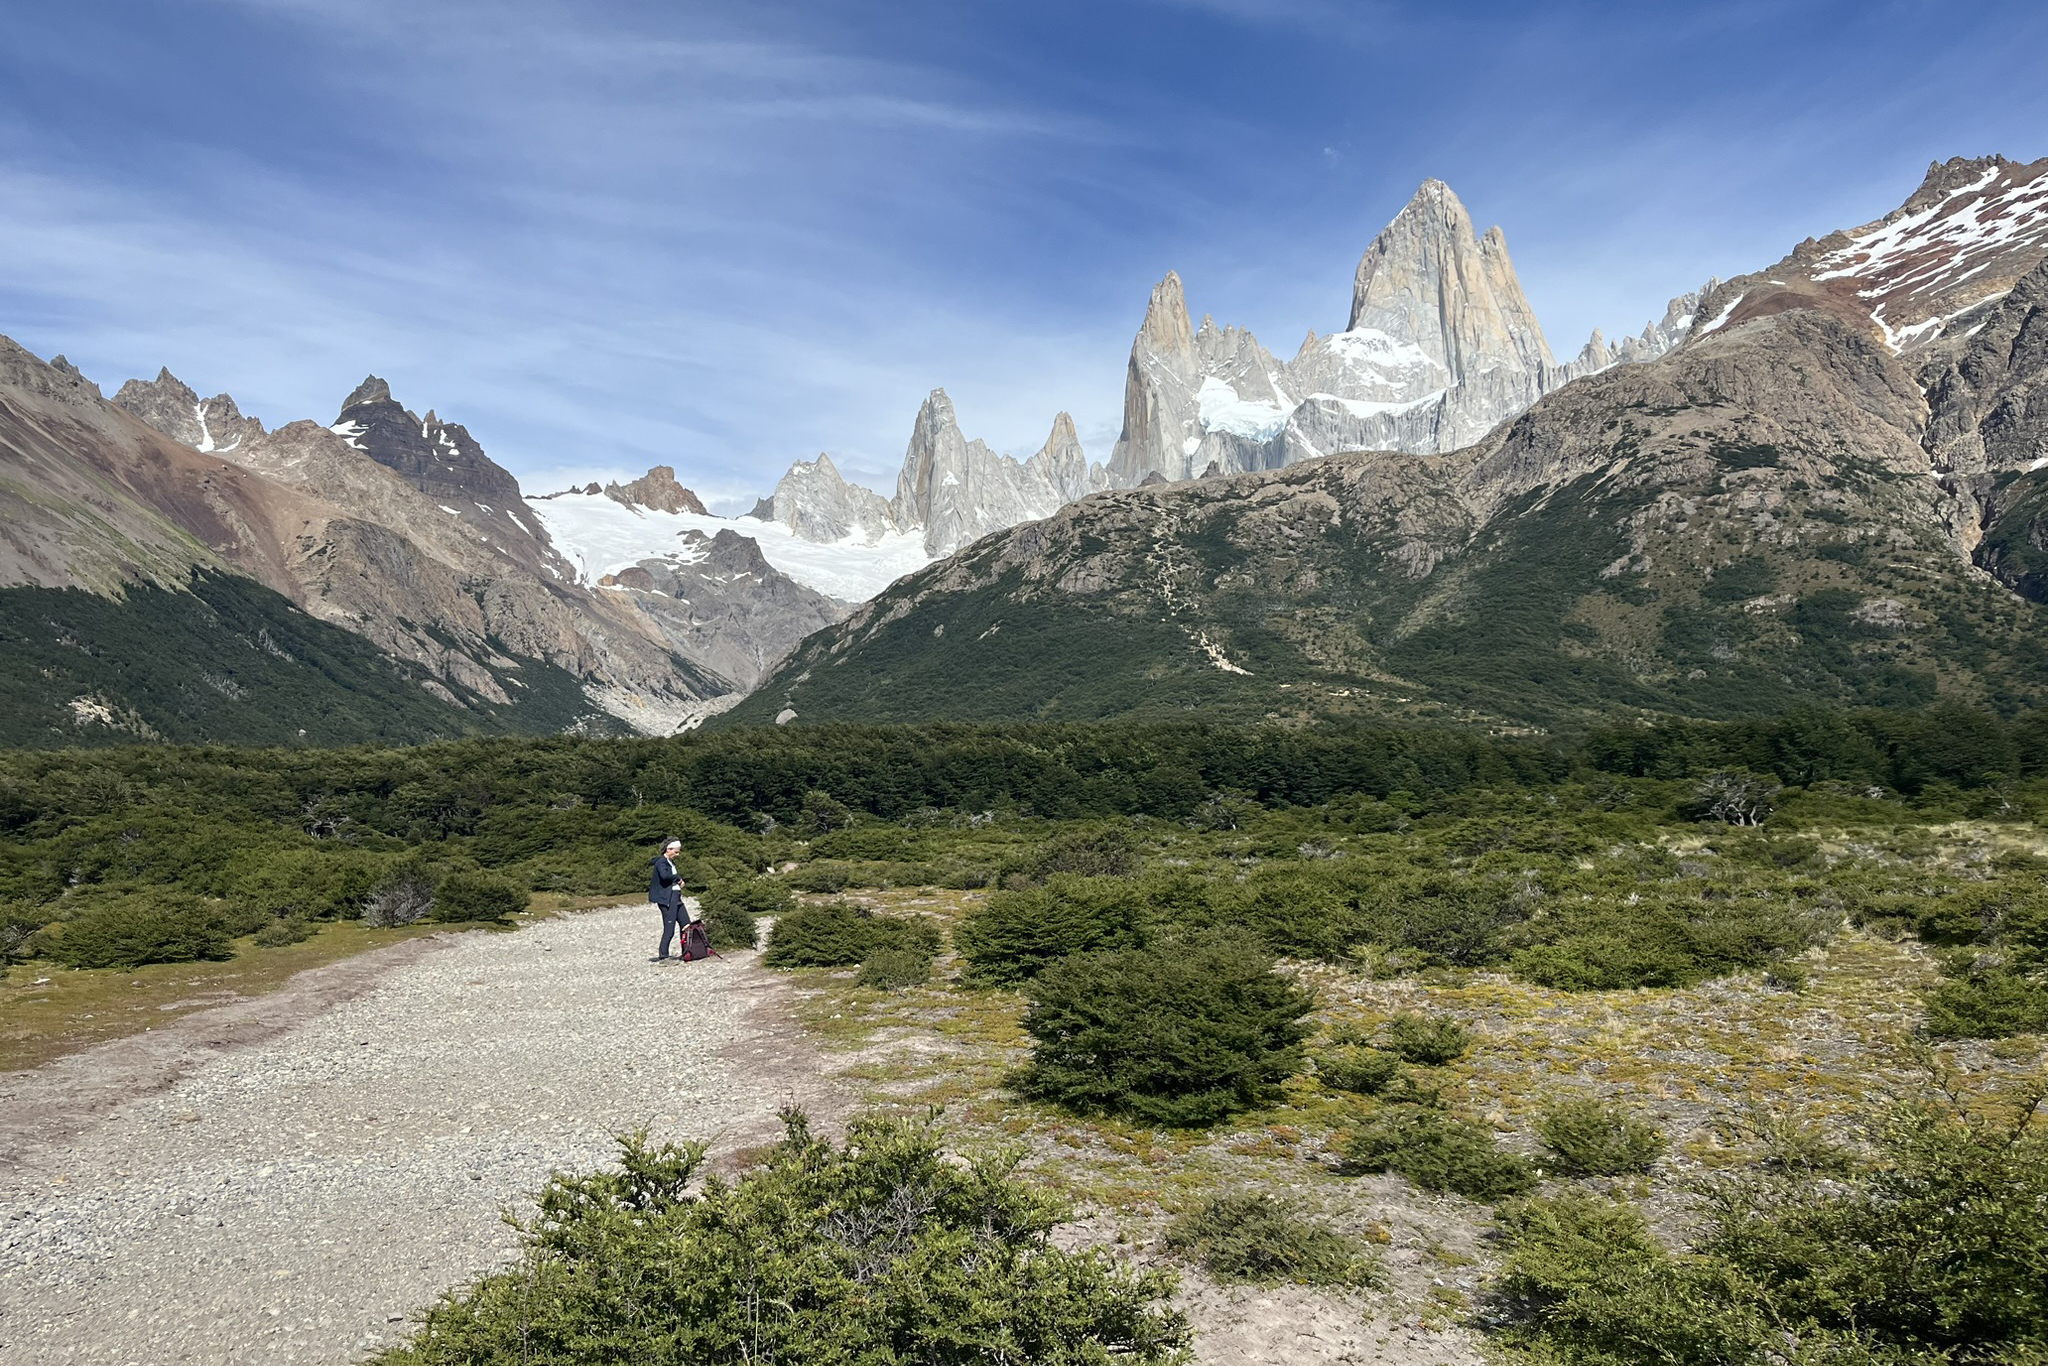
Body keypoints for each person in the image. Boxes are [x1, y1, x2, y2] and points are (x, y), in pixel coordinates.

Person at [648, 839, 688, 963]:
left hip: (676, 896)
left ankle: (687, 951)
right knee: (669, 927)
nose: (678, 855)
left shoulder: (670, 862)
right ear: (669, 850)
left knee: (686, 924)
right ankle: (663, 955)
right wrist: (678, 879)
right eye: (676, 852)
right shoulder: (661, 862)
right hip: (667, 898)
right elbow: (665, 876)